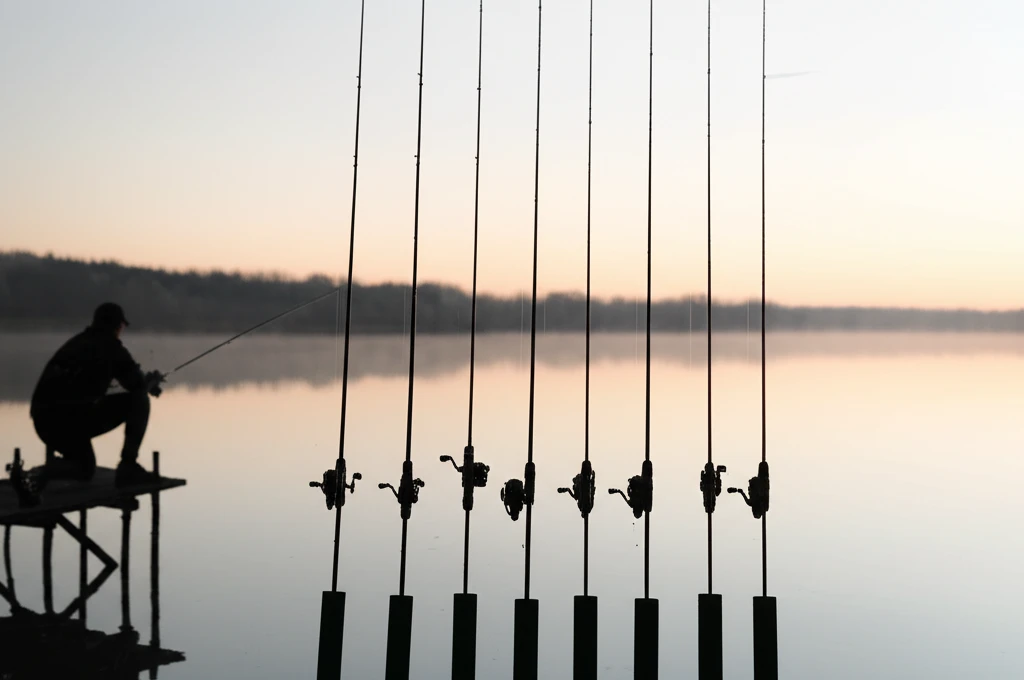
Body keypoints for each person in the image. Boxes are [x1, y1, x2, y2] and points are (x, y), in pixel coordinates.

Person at [29, 302, 165, 487]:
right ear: (117, 326)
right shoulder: (111, 347)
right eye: (121, 327)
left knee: (85, 469)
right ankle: (128, 465)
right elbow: (136, 386)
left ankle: (42, 473)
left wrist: (141, 383)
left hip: (44, 423)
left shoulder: (76, 343)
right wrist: (149, 383)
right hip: (69, 422)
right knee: (139, 401)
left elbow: (92, 382)